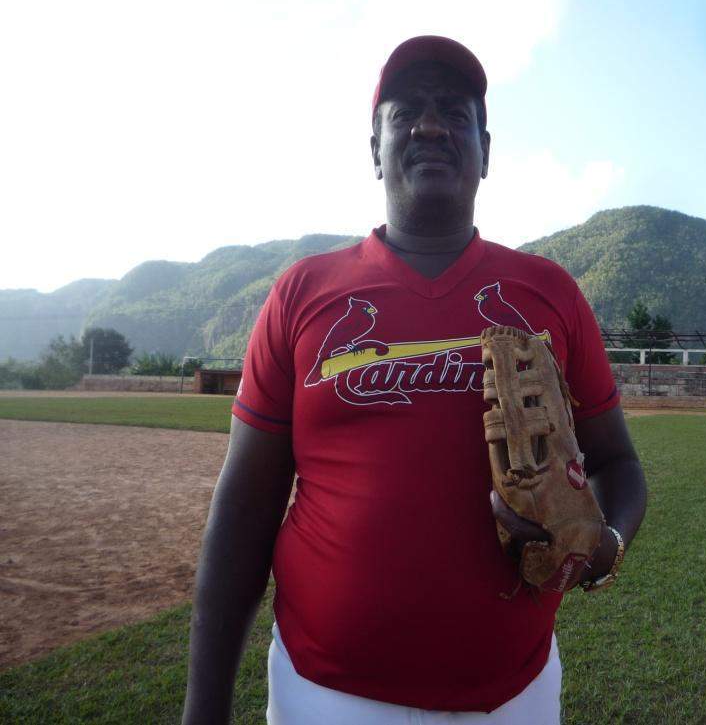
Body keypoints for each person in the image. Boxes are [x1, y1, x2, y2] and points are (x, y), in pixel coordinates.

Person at [181, 36, 647, 725]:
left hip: (515, 695)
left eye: (455, 112)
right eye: (406, 112)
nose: (431, 125)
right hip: (324, 694)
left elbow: (618, 462)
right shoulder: (302, 292)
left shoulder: (549, 292)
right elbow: (246, 507)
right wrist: (204, 709)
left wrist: (605, 545)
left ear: (485, 150)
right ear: (376, 148)